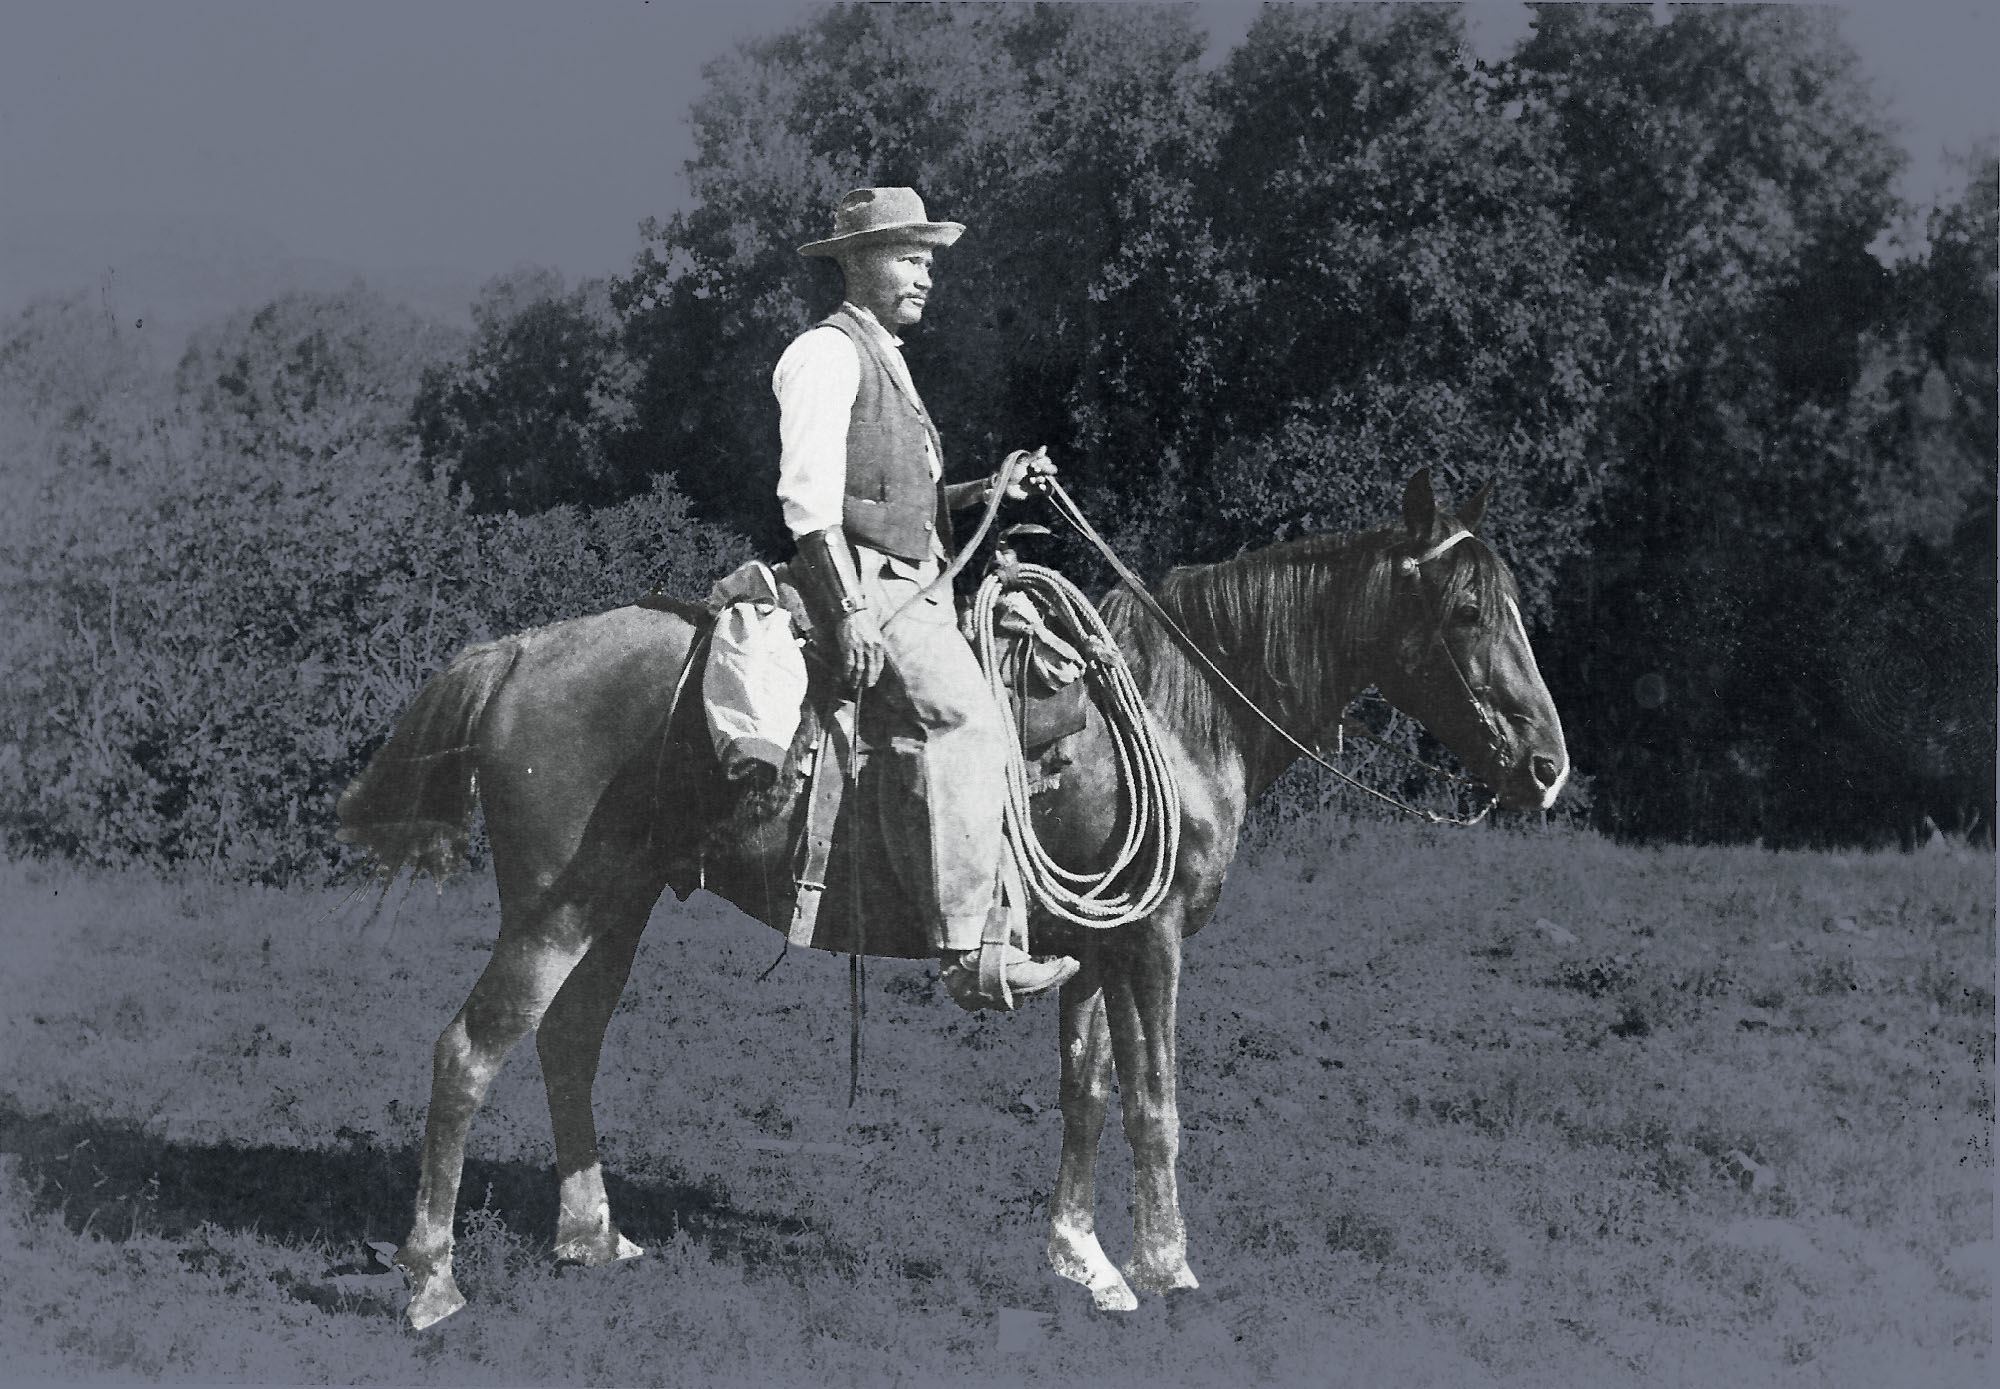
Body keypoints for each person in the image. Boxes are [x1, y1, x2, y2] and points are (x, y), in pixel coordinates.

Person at [777, 187, 1077, 1011]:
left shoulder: (889, 359)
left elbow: (903, 504)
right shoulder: (826, 355)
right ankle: (967, 951)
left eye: (928, 261)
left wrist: (994, 488)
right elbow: (808, 502)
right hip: (871, 585)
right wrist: (849, 612)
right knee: (963, 720)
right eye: (910, 258)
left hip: (922, 586)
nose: (926, 277)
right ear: (859, 263)